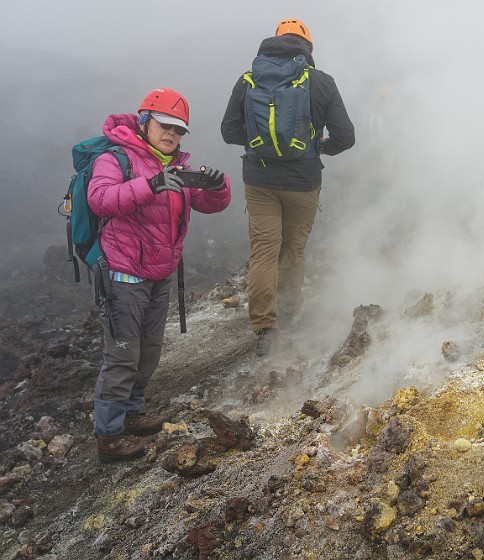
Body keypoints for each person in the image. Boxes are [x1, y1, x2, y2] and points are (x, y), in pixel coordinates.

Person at [88, 87, 231, 461]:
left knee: (148, 351)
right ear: (145, 122)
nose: (172, 134)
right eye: (165, 125)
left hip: (158, 276)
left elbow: (208, 204)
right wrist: (148, 186)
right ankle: (109, 436)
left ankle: (133, 413)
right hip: (123, 276)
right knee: (121, 354)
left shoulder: (175, 168)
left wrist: (219, 187)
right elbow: (100, 198)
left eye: (179, 130)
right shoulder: (115, 157)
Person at [221, 18, 355, 356]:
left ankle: (265, 328)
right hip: (303, 181)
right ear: (308, 48)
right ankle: (291, 316)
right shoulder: (321, 82)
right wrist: (318, 147)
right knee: (292, 249)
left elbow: (229, 131)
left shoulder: (248, 78)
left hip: (260, 179)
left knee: (264, 249)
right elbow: (346, 136)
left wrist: (257, 145)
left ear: (273, 42)